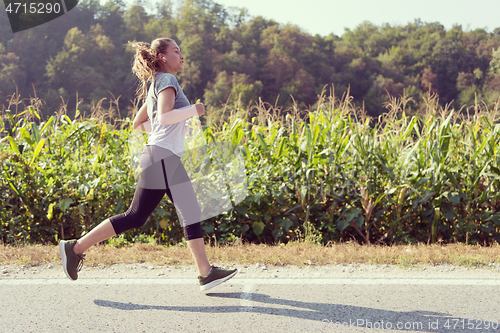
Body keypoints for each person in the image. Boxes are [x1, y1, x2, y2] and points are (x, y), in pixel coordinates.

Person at [59, 37, 237, 291]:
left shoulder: (156, 84)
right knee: (140, 215)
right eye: (176, 51)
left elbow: (140, 124)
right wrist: (193, 110)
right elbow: (164, 117)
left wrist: (176, 125)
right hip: (162, 156)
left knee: (178, 212)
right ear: (163, 57)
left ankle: (205, 272)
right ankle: (74, 248)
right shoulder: (167, 80)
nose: (181, 55)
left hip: (162, 155)